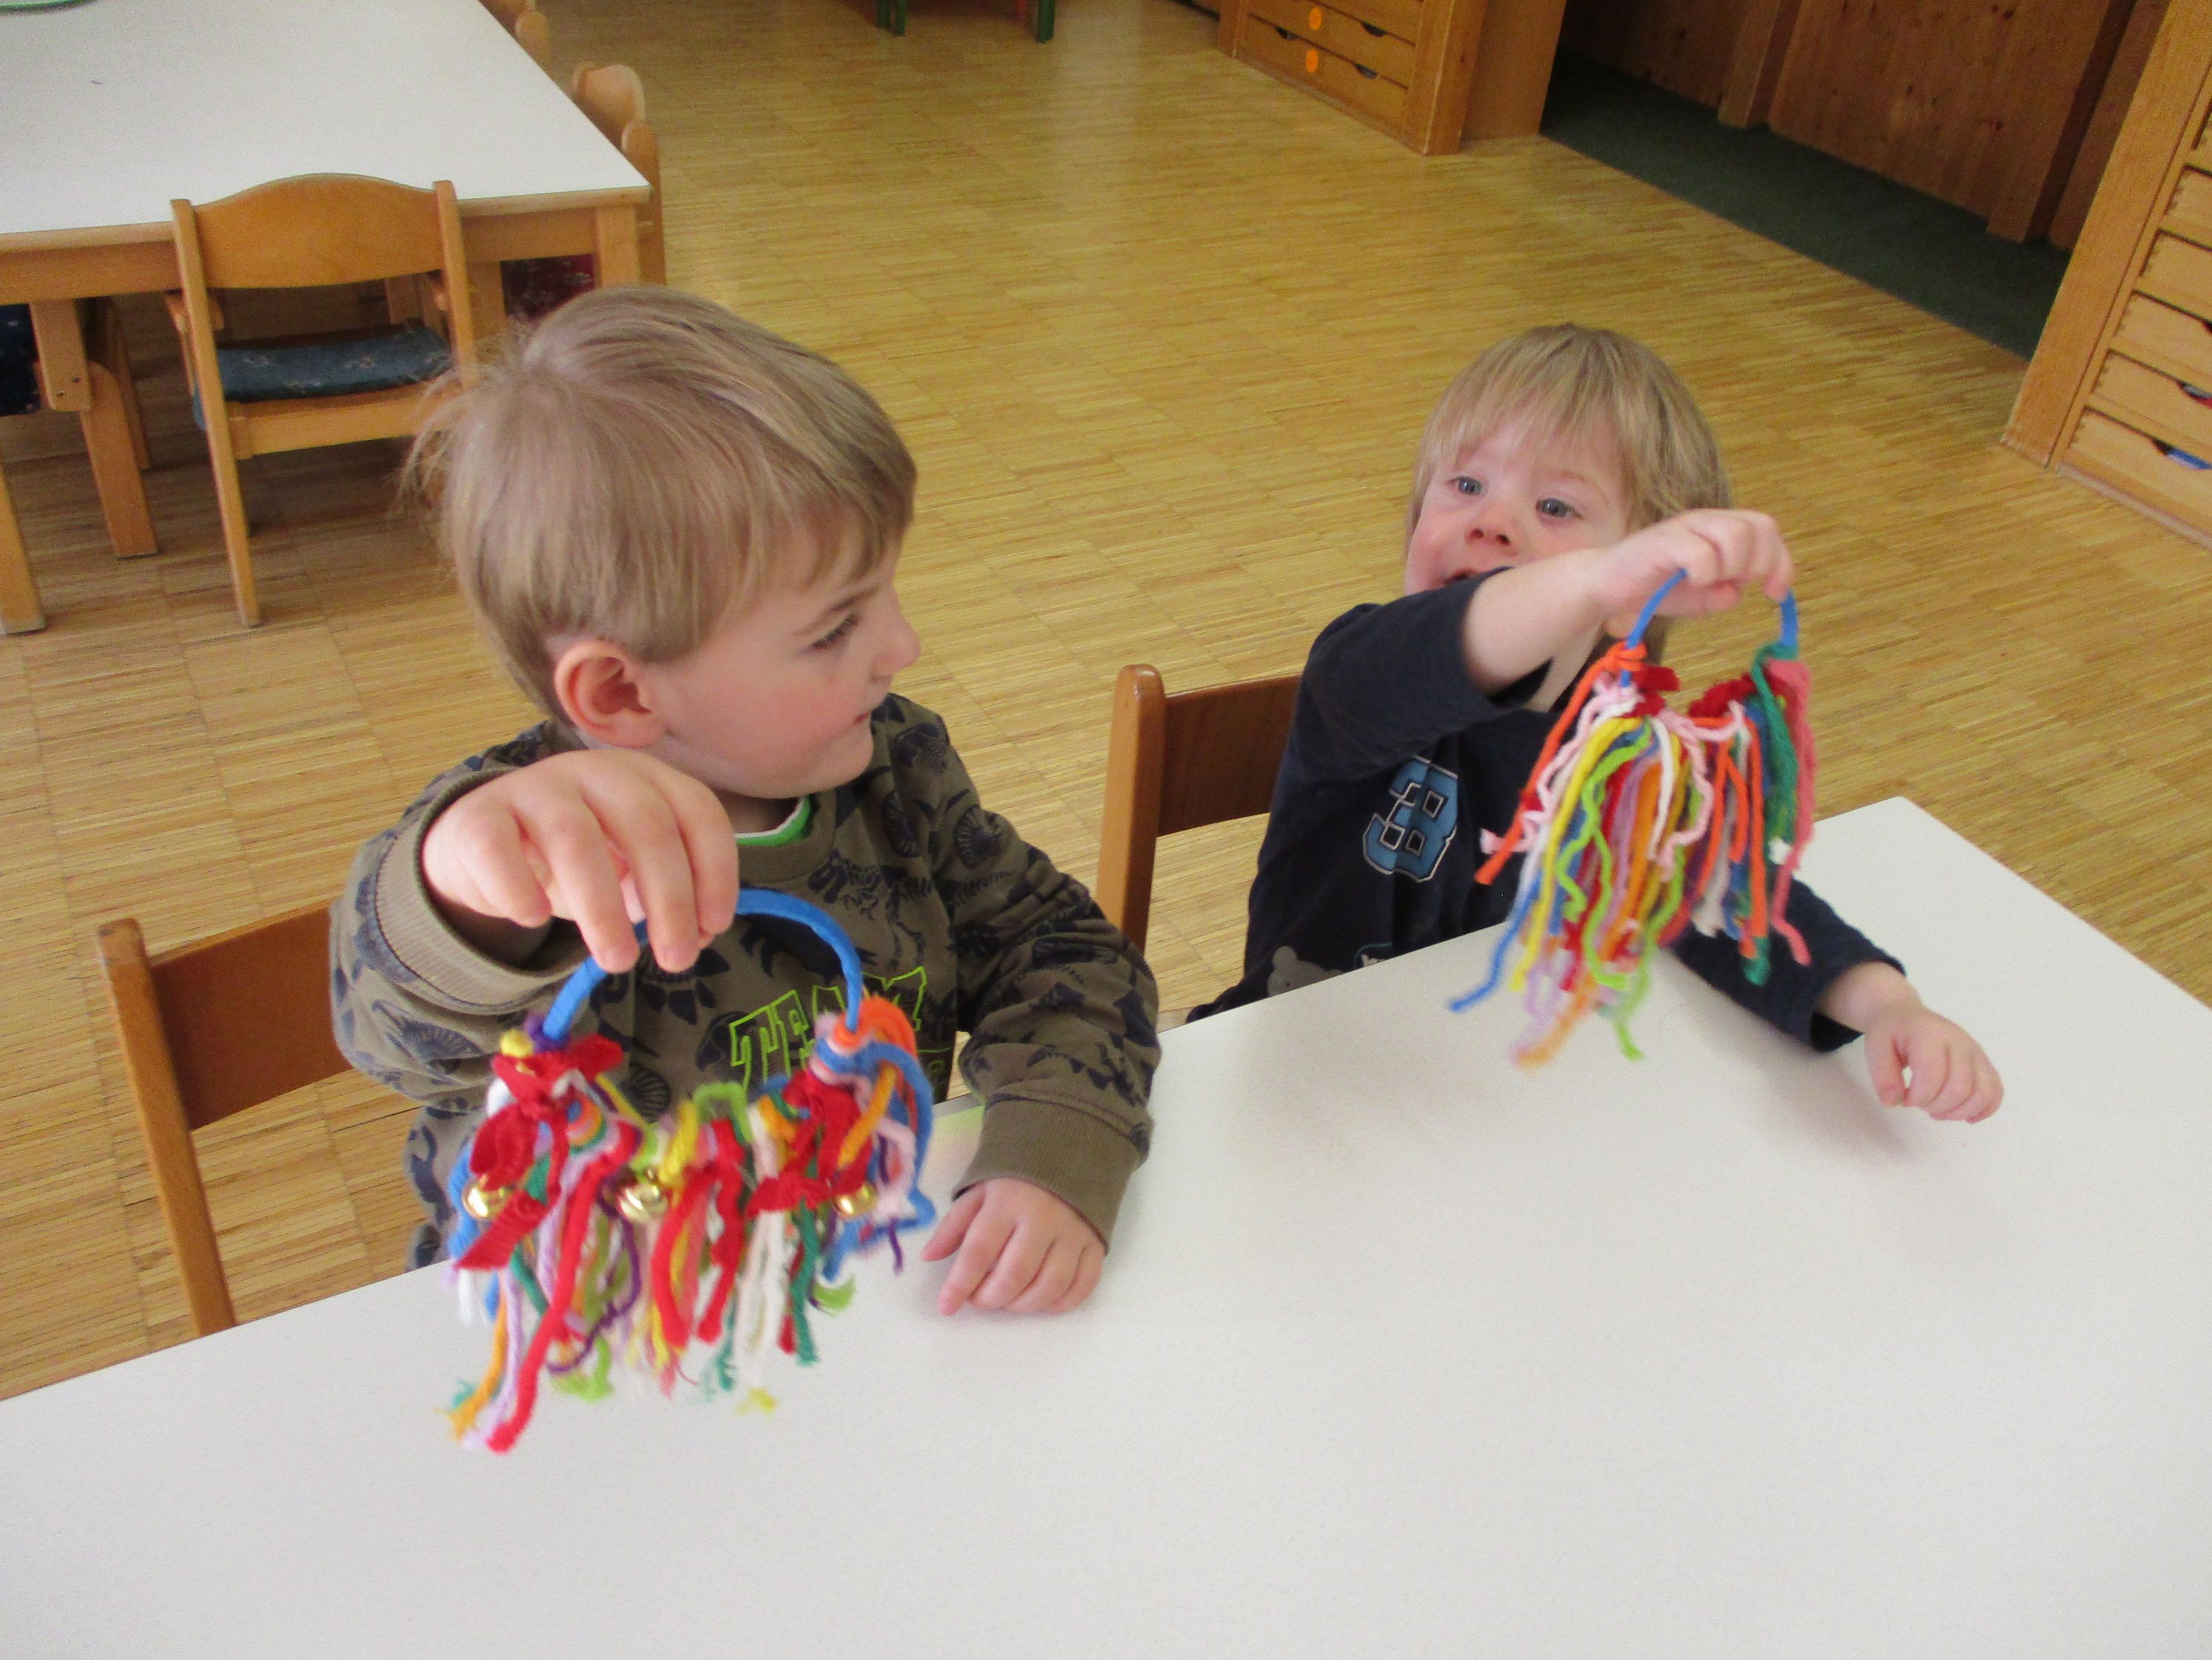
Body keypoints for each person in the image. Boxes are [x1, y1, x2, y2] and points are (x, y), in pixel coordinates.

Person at [332, 287, 1158, 1315]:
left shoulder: (895, 766)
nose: (900, 646)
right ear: (621, 693)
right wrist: (456, 882)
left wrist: (1055, 1144)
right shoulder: (534, 857)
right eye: (834, 629)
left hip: (864, 1297)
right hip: (594, 1342)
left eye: (886, 591)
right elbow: (391, 1028)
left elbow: (1060, 949)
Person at [1192, 325, 2001, 1124]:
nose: (1491, 521)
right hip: (1285, 1084)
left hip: (1483, 1107)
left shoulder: (1623, 760)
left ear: (1641, 595)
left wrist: (1887, 1005)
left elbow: (1728, 894)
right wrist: (1588, 578)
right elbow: (1427, 653)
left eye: (1555, 505)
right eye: (1465, 484)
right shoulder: (1358, 677)